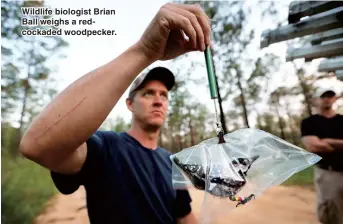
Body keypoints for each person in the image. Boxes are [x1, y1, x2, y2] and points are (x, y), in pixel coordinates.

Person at [19, 3, 212, 224]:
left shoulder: (170, 162)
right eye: (148, 93)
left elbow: (183, 216)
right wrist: (145, 50)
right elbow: (38, 145)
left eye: (164, 95)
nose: (158, 100)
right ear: (130, 104)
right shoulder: (106, 147)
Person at [300, 87, 343, 224]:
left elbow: (322, 144)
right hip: (328, 173)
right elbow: (314, 146)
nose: (327, 99)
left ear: (335, 98)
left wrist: (328, 141)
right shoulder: (309, 123)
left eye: (330, 96)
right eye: (323, 96)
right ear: (316, 100)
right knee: (331, 212)